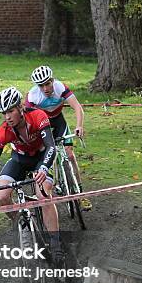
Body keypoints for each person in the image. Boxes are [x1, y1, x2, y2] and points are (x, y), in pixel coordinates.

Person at [0, 86, 65, 263]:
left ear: (20, 107)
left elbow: (51, 146)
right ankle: (25, 225)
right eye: (3, 113)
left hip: (42, 157)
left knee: (43, 196)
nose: (7, 117)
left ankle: (56, 244)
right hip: (20, 160)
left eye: (10, 111)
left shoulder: (38, 116)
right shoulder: (4, 130)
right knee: (2, 197)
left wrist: (44, 168)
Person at [26, 65, 91, 210]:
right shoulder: (32, 96)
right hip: (43, 126)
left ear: (52, 81)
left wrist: (79, 126)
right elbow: (28, 122)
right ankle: (52, 183)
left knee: (70, 154)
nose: (45, 89)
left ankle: (80, 193)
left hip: (59, 121)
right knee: (47, 154)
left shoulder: (60, 87)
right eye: (41, 86)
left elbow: (77, 107)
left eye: (47, 84)